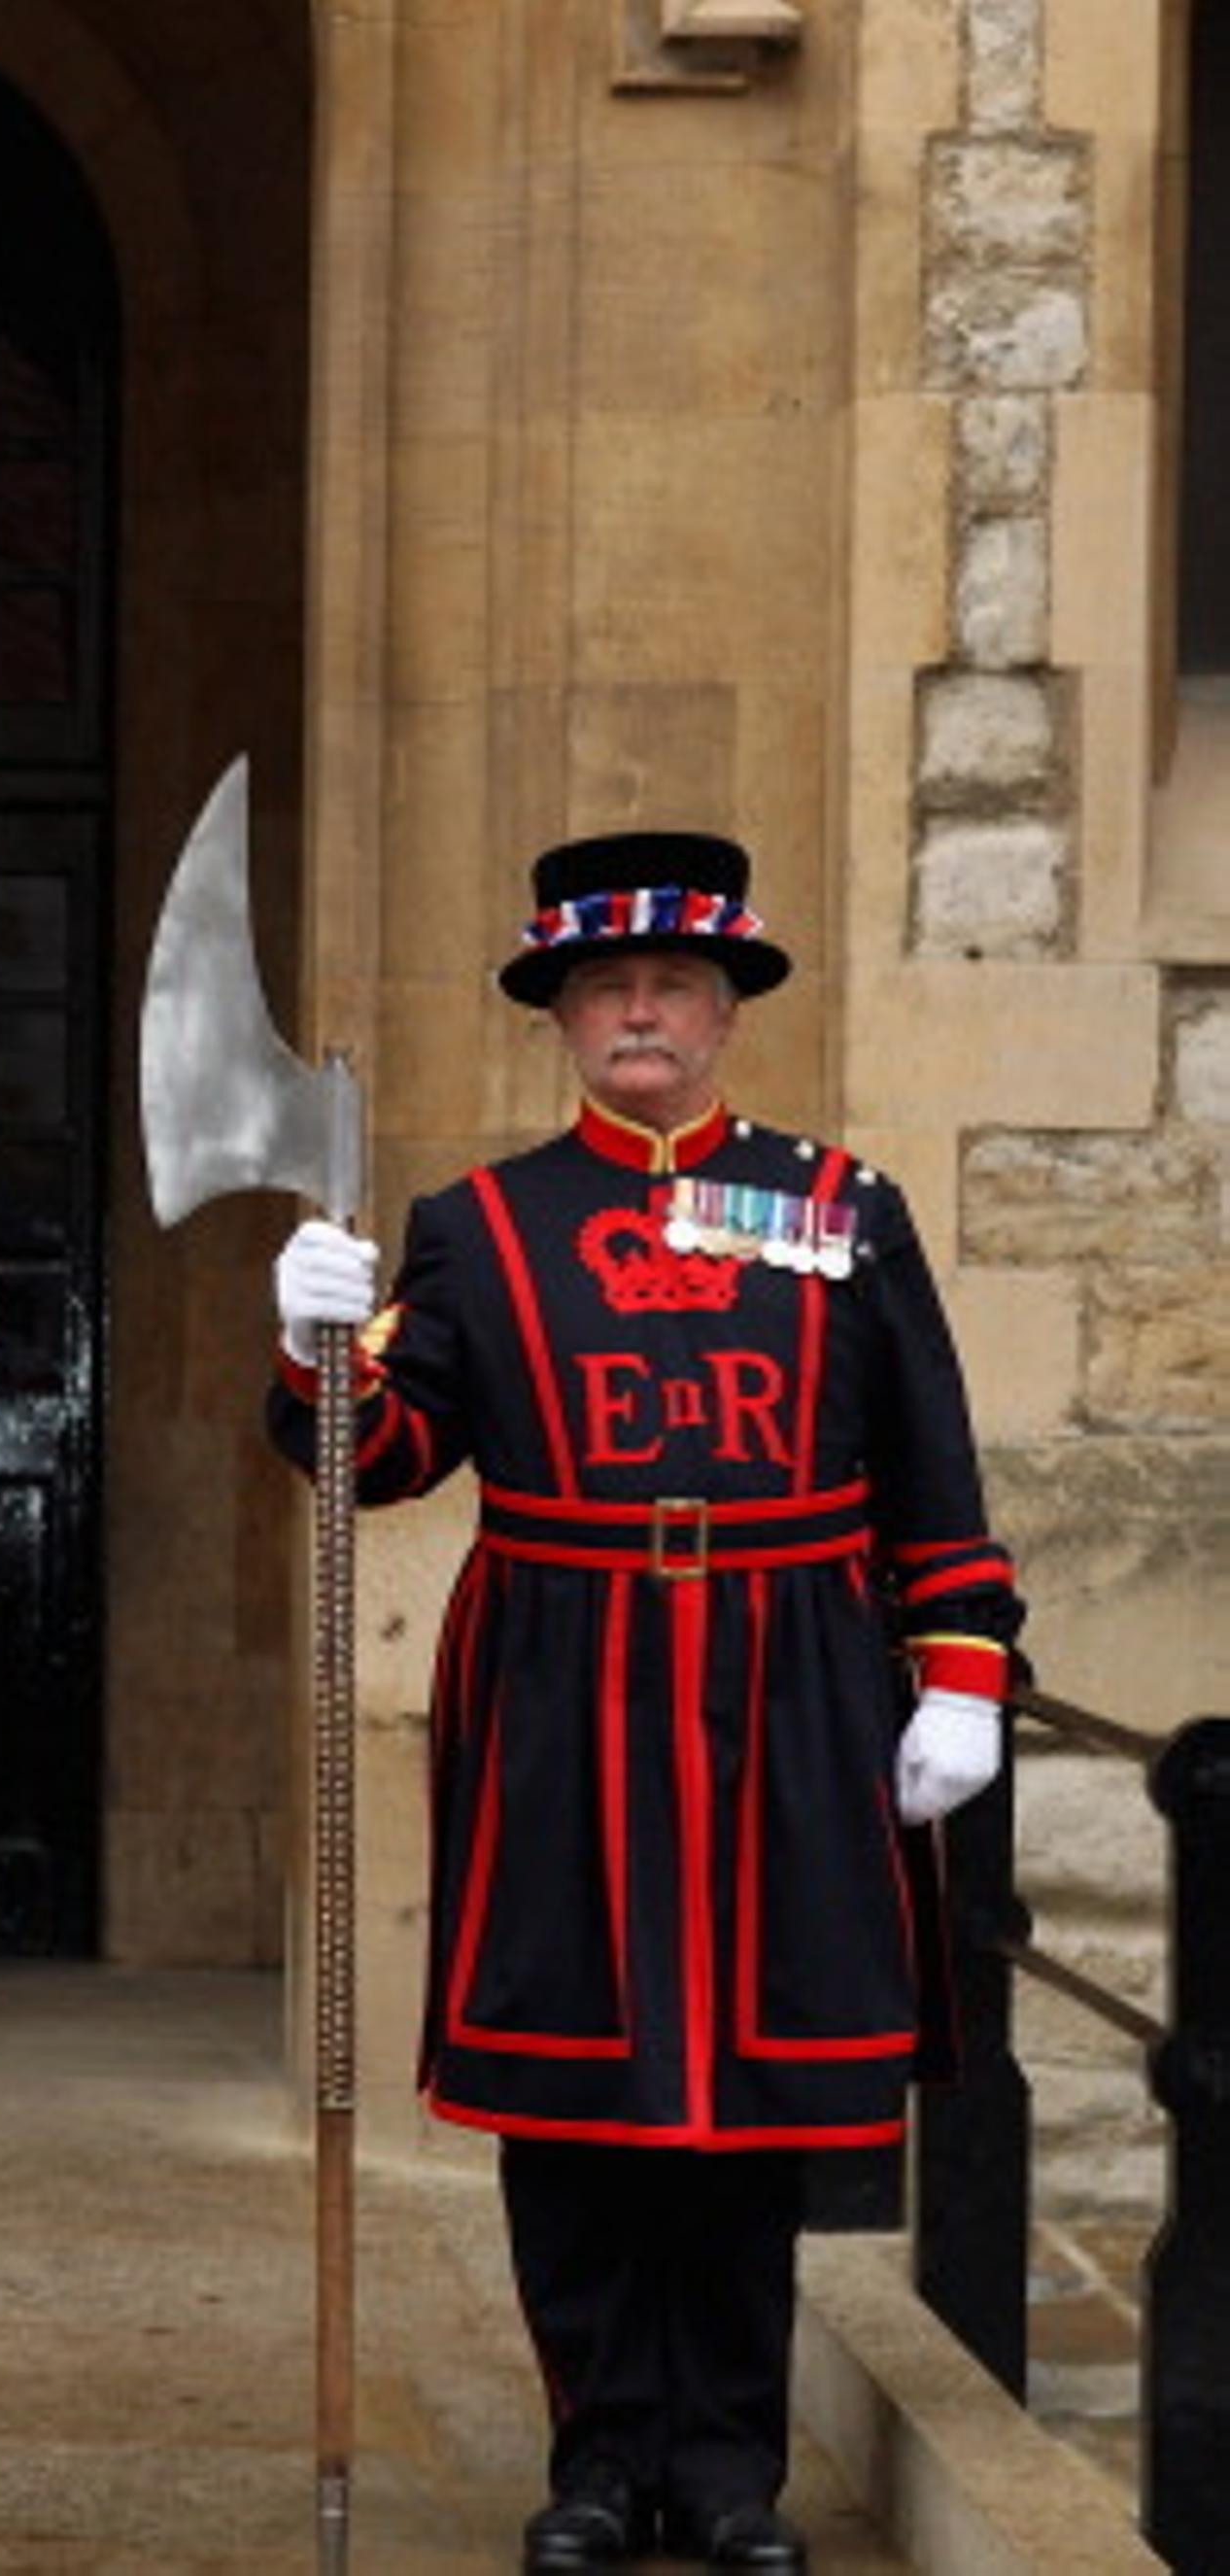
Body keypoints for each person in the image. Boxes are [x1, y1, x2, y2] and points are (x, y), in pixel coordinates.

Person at [265, 830, 1023, 2575]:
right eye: (607, 988)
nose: (641, 1015)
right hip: (564, 1687)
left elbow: (930, 1461)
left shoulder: (842, 1207)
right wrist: (312, 1341)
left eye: (674, 985)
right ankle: (600, 2462)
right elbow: (375, 1462)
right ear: (560, 1017)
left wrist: (963, 1674)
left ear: (728, 1011)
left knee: (750, 2107)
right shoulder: (484, 1224)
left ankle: (731, 2471)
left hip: (797, 1680)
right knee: (579, 2102)